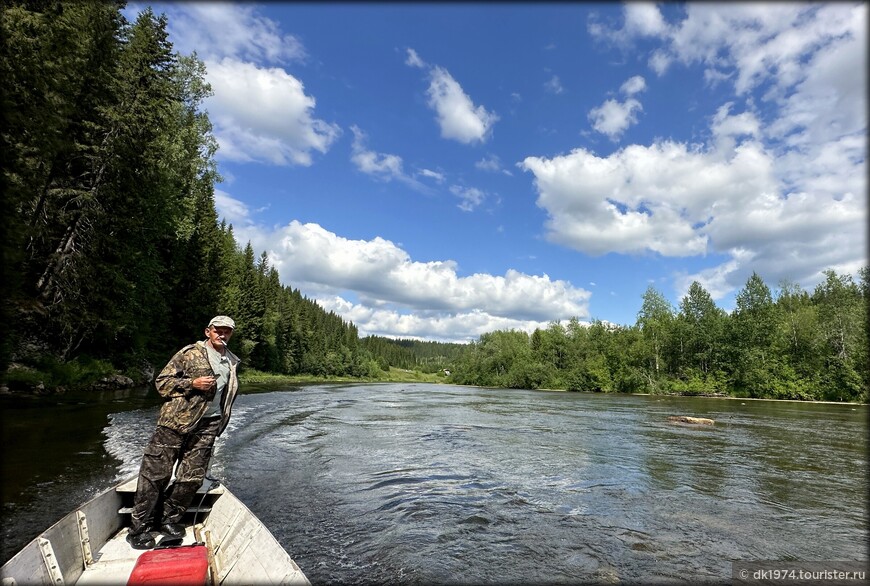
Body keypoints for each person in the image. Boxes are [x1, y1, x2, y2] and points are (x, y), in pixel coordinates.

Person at [126, 315, 241, 549]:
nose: (222, 334)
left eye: (227, 331)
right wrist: (192, 384)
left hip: (208, 425)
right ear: (208, 331)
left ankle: (168, 519)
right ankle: (139, 528)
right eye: (218, 330)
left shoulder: (231, 360)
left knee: (192, 478)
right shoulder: (189, 353)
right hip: (175, 423)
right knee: (156, 475)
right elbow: (162, 382)